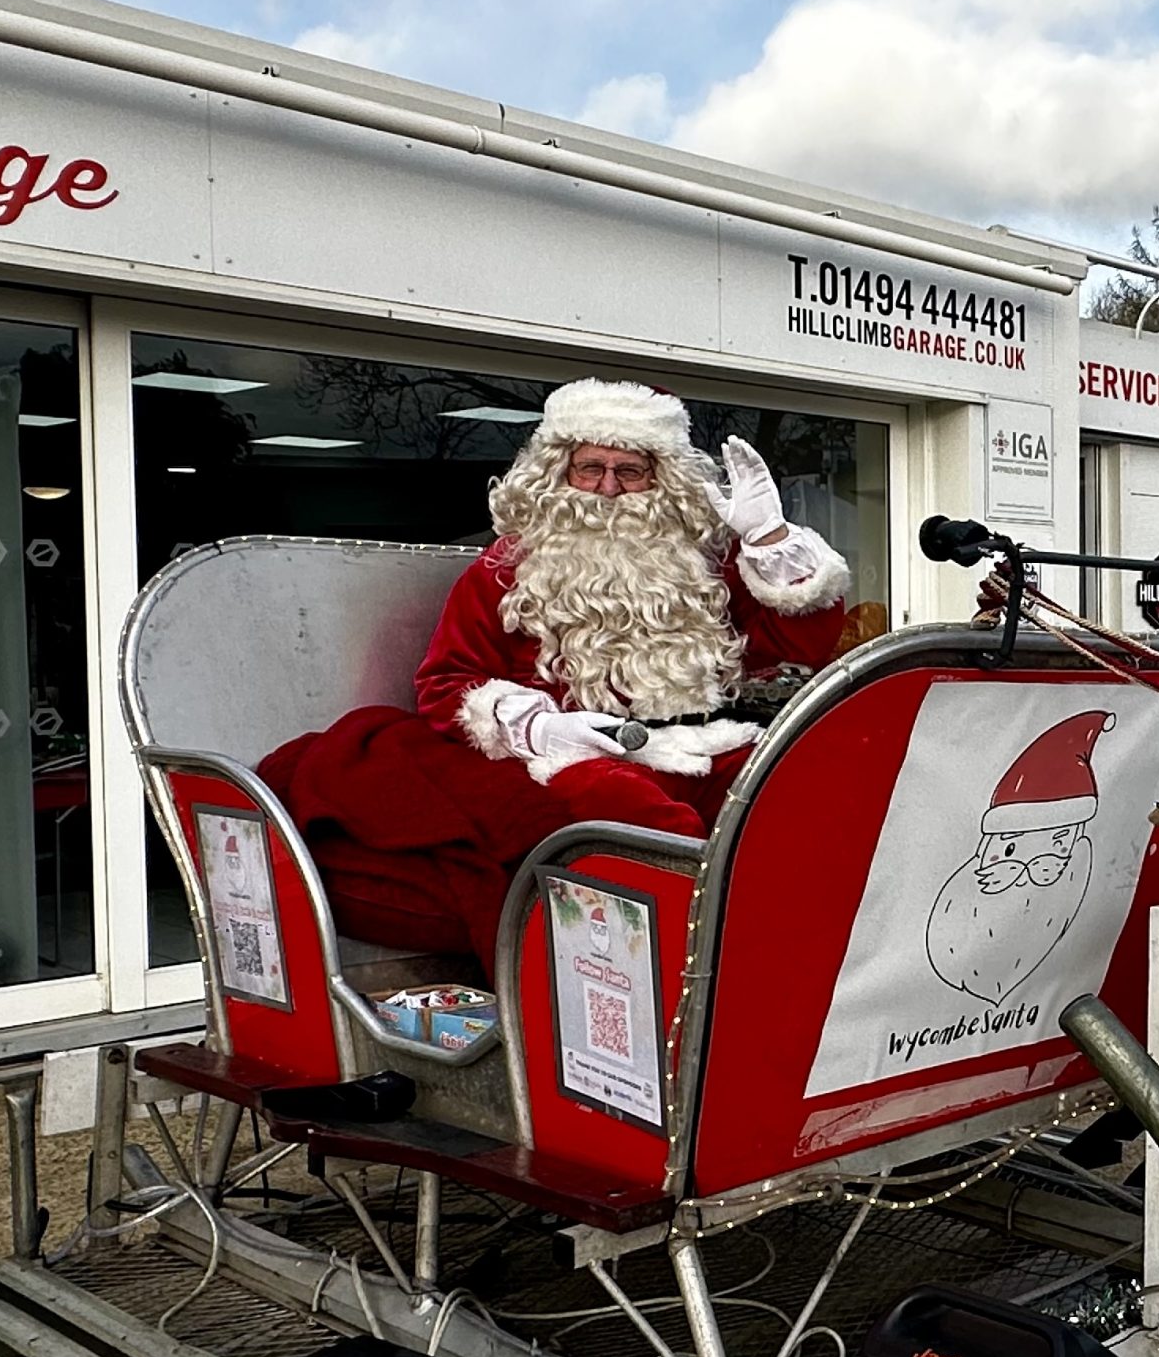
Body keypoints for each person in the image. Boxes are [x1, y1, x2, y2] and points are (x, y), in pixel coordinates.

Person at [264, 379, 852, 967]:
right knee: (653, 828)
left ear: (663, 479)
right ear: (556, 475)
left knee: (804, 797)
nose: (608, 489)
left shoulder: (702, 569)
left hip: (700, 742)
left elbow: (801, 638)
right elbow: (444, 685)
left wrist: (767, 537)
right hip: (576, 759)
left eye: (631, 470)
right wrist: (542, 731)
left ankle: (816, 955)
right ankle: (712, 970)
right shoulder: (502, 574)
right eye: (590, 468)